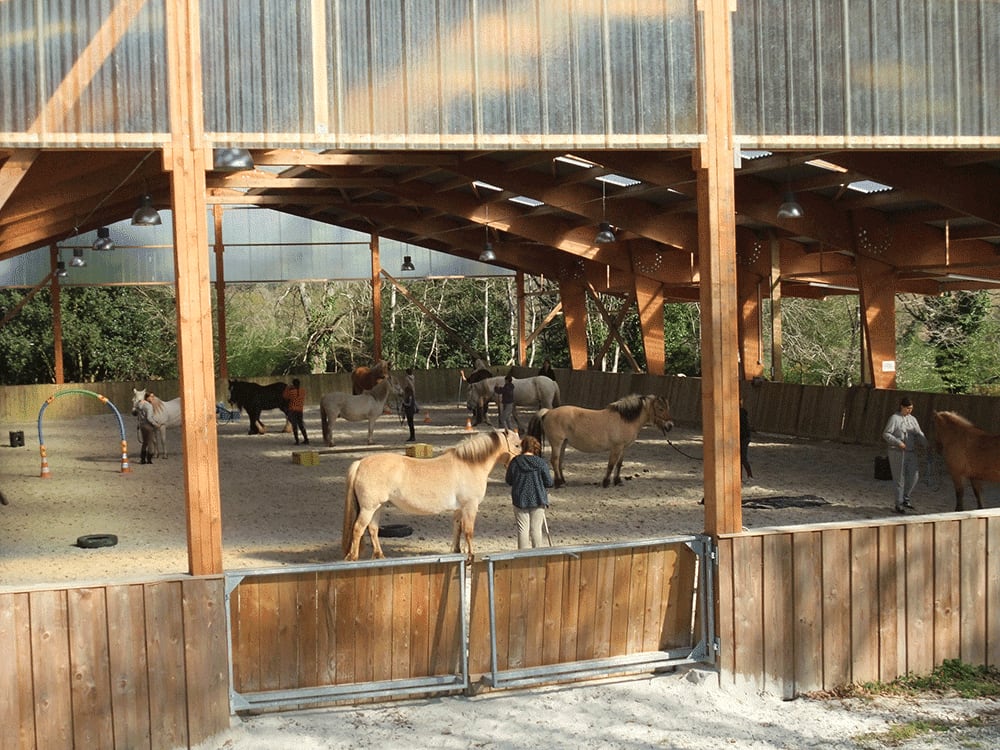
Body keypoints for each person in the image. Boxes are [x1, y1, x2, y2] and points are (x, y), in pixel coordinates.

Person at [505, 435, 554, 549]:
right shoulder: (540, 462)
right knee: (536, 529)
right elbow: (549, 482)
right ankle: (536, 554)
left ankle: (522, 556)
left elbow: (509, 480)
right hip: (538, 498)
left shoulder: (515, 462)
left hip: (520, 499)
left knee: (522, 529)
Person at [882, 396, 928, 513]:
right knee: (899, 478)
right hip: (897, 452)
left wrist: (926, 444)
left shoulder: (913, 419)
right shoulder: (894, 418)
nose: (909, 411)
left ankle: (905, 498)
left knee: (914, 476)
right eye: (908, 408)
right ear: (902, 407)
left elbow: (919, 433)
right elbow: (886, 434)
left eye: (911, 408)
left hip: (911, 451)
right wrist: (898, 442)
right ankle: (899, 503)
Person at [282, 378, 309, 445]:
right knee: (301, 425)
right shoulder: (303, 391)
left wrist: (288, 388)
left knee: (294, 426)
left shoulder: (291, 392)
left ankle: (297, 440)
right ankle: (306, 439)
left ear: (293, 384)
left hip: (292, 410)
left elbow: (285, 396)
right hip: (300, 410)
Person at [136, 391, 157, 464]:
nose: (152, 398)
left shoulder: (139, 405)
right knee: (150, 442)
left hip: (142, 425)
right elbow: (149, 417)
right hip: (148, 425)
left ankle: (142, 459)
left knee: (144, 442)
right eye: (151, 397)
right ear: (147, 397)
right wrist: (155, 424)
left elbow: (136, 414)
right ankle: (149, 459)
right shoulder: (149, 406)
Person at [739, 399, 753, 479]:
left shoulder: (740, 413)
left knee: (743, 458)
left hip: (743, 437)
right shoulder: (742, 413)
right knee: (741, 458)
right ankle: (742, 476)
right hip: (743, 437)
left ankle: (749, 475)